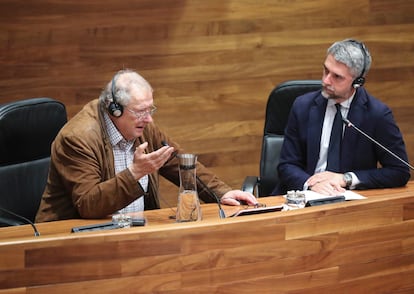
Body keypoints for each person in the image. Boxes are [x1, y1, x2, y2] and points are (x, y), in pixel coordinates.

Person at [35, 69, 257, 222]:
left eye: (150, 109)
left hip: (133, 231)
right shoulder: (78, 138)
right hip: (73, 238)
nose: (148, 119)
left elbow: (178, 162)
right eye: (140, 111)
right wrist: (135, 173)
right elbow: (88, 204)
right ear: (114, 109)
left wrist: (222, 193)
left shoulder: (143, 127)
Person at [273, 38, 410, 196]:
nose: (326, 80)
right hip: (302, 197)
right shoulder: (302, 106)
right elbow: (287, 165)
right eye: (326, 70)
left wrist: (346, 179)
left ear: (358, 82)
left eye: (337, 77)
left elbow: (399, 171)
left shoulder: (377, 114)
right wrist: (310, 184)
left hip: (349, 202)